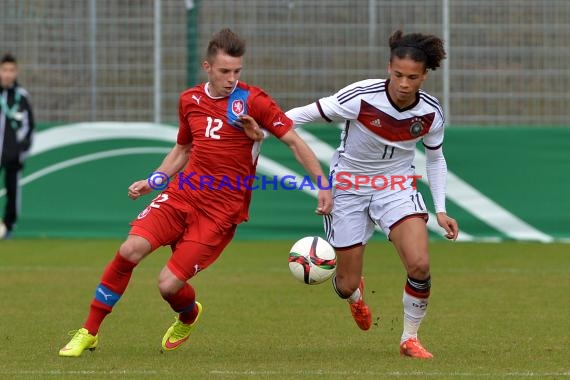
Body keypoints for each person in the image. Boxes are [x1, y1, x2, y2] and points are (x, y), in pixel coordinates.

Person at [59, 28, 332, 357]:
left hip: (220, 213)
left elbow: (294, 141)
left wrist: (323, 185)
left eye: (237, 71)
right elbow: (183, 149)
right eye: (224, 71)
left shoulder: (254, 101)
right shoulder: (190, 100)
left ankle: (188, 314)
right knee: (129, 249)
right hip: (182, 195)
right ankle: (89, 331)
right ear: (207, 67)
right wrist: (155, 179)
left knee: (167, 285)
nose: (231, 79)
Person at [284, 30, 459, 359]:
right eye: (397, 75)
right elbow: (302, 115)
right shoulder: (361, 97)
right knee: (345, 284)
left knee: (420, 265)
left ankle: (410, 338)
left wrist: (440, 209)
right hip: (348, 187)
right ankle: (355, 295)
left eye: (412, 77)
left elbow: (435, 158)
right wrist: (260, 126)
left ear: (424, 76)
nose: (404, 84)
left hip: (396, 187)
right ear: (388, 67)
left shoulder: (431, 113)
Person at [0, 53, 34, 240]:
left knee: (12, 192)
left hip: (13, 155)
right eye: (4, 70)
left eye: (11, 70)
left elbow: (29, 126)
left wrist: (21, 150)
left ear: (16, 72)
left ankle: (9, 227)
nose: (7, 74)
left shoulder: (21, 96)